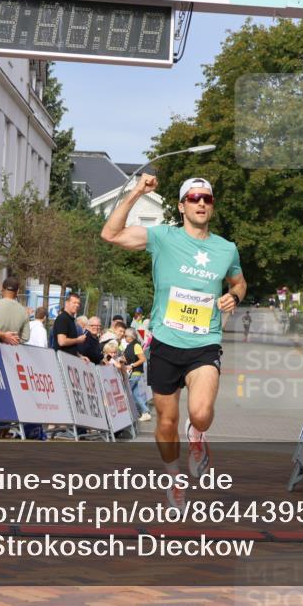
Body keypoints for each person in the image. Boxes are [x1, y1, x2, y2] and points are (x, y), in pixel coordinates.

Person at [102, 174, 247, 508]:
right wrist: (136, 191)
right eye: (194, 198)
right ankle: (174, 476)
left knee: (201, 412)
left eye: (207, 198)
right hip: (165, 343)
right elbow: (110, 234)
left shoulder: (226, 248)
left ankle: (197, 433)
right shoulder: (162, 237)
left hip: (204, 343)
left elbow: (239, 283)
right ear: (182, 206)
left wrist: (235, 296)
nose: (201, 203)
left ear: (212, 206)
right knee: (166, 422)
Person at [122, 327, 152, 421]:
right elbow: (127, 359)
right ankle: (145, 412)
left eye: (125, 336)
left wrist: (132, 365)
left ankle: (129, 414)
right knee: (136, 395)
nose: (124, 337)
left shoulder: (136, 345)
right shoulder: (129, 346)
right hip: (132, 373)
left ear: (131, 337)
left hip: (135, 373)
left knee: (126, 392)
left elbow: (143, 359)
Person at [0, 276, 31, 341]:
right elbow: (25, 337)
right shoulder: (24, 311)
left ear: (2, 289)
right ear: (17, 291)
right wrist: (13, 340)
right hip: (12, 346)